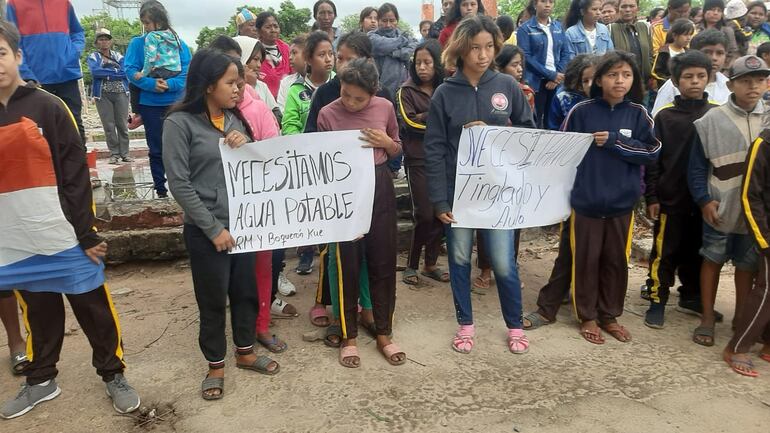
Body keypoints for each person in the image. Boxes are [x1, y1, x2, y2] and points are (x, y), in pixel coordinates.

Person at [0, 19, 140, 418]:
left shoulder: (47, 105)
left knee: (93, 307)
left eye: (1, 53)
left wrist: (85, 231)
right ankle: (41, 378)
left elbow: (75, 170)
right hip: (15, 239)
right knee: (38, 311)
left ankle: (113, 373)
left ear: (18, 56)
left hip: (63, 232)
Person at [163, 49, 280, 400]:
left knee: (245, 291)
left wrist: (247, 144)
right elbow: (179, 184)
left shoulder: (235, 120)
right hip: (207, 232)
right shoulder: (178, 124)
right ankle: (215, 363)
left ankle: (245, 351)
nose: (239, 88)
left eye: (240, 81)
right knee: (212, 299)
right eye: (231, 82)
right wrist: (213, 229)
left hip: (243, 227)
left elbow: (254, 166)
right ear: (208, 84)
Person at [425, 15, 536, 355]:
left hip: (499, 192)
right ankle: (465, 324)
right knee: (458, 258)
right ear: (460, 50)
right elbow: (434, 148)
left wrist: (490, 131)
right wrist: (440, 201)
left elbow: (529, 133)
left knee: (503, 262)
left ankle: (514, 325)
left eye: (489, 47)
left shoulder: (507, 86)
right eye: (475, 48)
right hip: (459, 195)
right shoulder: (444, 93)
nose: (483, 55)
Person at [563, 51, 661, 344]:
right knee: (586, 260)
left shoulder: (639, 114)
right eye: (612, 74)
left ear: (634, 79)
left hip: (621, 204)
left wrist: (617, 141)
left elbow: (652, 152)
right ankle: (588, 316)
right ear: (600, 78)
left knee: (615, 260)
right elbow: (562, 153)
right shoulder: (581, 112)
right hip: (586, 202)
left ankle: (610, 315)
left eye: (626, 75)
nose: (620, 80)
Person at [317, 58, 405, 368]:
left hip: (379, 186)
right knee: (346, 263)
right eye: (345, 94)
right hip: (343, 192)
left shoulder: (384, 108)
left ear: (374, 92)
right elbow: (320, 163)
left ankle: (383, 332)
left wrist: (387, 143)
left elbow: (397, 146)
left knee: (382, 261)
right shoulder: (327, 114)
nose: (351, 103)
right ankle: (348, 335)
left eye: (359, 98)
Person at [207, 35, 289, 357]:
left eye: (255, 60)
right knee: (226, 274)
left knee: (261, 268)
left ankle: (261, 325)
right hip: (219, 211)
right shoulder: (200, 114)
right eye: (246, 60)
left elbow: (275, 151)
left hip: (256, 207)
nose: (252, 66)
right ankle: (238, 328)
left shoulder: (258, 108)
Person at [303, 31, 386, 346]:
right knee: (335, 254)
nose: (343, 65)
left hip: (369, 190)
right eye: (340, 58)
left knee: (366, 254)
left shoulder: (383, 99)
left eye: (351, 59)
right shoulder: (325, 95)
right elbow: (312, 137)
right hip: (335, 190)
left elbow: (393, 140)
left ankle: (365, 309)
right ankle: (337, 311)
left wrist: (386, 159)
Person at [688, 55, 768, 347]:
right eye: (746, 81)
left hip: (755, 213)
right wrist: (704, 200)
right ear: (731, 83)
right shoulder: (711, 120)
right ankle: (707, 317)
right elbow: (697, 168)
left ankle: (741, 320)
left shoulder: (768, 118)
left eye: (759, 80)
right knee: (713, 259)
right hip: (721, 206)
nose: (753, 86)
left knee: (747, 265)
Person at [642, 51, 719, 329]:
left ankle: (691, 296)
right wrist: (652, 195)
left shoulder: (716, 114)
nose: (695, 82)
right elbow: (653, 160)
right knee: (664, 252)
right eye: (688, 77)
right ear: (676, 81)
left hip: (704, 201)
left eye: (701, 76)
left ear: (709, 79)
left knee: (698, 251)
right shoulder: (665, 117)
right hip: (670, 199)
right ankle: (657, 299)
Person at [125, 0, 191, 198]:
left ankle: (182, 188)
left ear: (161, 21)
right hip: (150, 105)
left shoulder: (179, 42)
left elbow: (187, 71)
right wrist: (151, 85)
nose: (147, 27)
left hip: (176, 103)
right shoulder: (138, 43)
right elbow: (129, 70)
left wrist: (170, 85)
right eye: (144, 23)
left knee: (181, 146)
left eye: (149, 22)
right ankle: (161, 189)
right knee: (156, 148)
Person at [282, 30, 335, 276]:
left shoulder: (341, 84)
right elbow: (289, 125)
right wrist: (304, 146)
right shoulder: (295, 90)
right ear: (309, 59)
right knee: (308, 207)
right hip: (306, 158)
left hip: (335, 160)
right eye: (321, 54)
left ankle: (330, 252)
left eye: (331, 53)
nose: (328, 59)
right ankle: (305, 253)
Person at [398, 39, 448, 286]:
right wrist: (436, 117)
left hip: (443, 158)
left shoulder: (446, 88)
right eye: (418, 62)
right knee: (424, 214)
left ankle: (430, 264)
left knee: (441, 214)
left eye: (427, 62)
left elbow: (452, 119)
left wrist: (427, 115)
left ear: (437, 64)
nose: (422, 67)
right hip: (417, 158)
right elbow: (411, 124)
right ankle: (411, 264)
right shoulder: (406, 91)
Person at [724, 113, 770, 377]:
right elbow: (749, 195)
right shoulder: (764, 144)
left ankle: (768, 342)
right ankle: (737, 347)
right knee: (766, 291)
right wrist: (763, 239)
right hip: (767, 232)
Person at [4, 0, 86, 143]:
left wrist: (74, 52)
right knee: (39, 129)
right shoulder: (14, 4)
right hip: (35, 80)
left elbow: (77, 32)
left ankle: (80, 164)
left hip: (67, 75)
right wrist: (26, 74)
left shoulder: (64, 3)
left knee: (74, 124)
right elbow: (12, 43)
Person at [517, 0, 575, 128]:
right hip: (535, 82)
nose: (548, 5)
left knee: (553, 120)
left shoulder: (558, 27)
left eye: (551, 2)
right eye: (543, 1)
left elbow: (566, 53)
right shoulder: (525, 29)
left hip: (555, 81)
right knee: (535, 120)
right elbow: (526, 56)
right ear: (535, 4)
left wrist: (556, 77)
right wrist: (550, 75)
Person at [652, 29, 730, 116]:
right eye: (707, 52)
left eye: (719, 53)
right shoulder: (674, 85)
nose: (714, 58)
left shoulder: (728, 85)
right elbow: (657, 117)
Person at [87, 28, 131, 165]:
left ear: (110, 41)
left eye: (106, 39)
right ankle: (114, 154)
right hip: (103, 95)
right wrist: (113, 71)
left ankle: (125, 153)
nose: (104, 42)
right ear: (96, 42)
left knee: (122, 125)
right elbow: (95, 72)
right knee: (109, 125)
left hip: (121, 93)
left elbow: (125, 72)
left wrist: (107, 72)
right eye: (101, 39)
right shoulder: (93, 57)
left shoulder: (119, 56)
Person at [369, 3, 417, 97]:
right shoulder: (371, 37)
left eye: (392, 20)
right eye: (384, 20)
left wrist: (395, 53)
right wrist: (402, 41)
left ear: (397, 21)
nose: (388, 25)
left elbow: (411, 49)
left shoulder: (405, 35)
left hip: (403, 89)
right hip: (379, 89)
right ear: (378, 21)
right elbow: (383, 45)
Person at [610, 0, 654, 98]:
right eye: (624, 6)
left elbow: (651, 53)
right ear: (618, 9)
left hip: (644, 84)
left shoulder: (645, 27)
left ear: (637, 8)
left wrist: (649, 72)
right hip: (620, 84)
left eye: (631, 6)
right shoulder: (611, 29)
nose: (628, 10)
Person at [233, 37, 280, 120]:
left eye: (260, 61)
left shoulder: (261, 86)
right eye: (255, 59)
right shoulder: (230, 87)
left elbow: (277, 116)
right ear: (243, 58)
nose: (259, 65)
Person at [548, 54, 596, 130]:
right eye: (584, 81)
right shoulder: (562, 96)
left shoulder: (606, 95)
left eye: (594, 79)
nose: (590, 85)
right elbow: (554, 127)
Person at [255, 11, 291, 98]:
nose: (273, 30)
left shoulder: (286, 49)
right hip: (264, 101)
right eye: (268, 27)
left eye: (276, 26)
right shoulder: (254, 51)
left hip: (287, 100)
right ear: (259, 31)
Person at [652, 18, 695, 87]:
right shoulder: (664, 52)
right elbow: (656, 72)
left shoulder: (688, 52)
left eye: (690, 35)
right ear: (675, 35)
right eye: (685, 35)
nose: (688, 38)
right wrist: (671, 82)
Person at [697, 0, 739, 68]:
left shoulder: (727, 31)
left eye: (719, 10)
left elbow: (733, 53)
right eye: (712, 10)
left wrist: (725, 69)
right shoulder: (696, 29)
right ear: (704, 11)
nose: (715, 13)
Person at [277, 34, 307, 112]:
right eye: (290, 54)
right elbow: (283, 112)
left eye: (294, 53)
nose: (290, 57)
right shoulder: (286, 82)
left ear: (308, 54)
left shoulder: (330, 79)